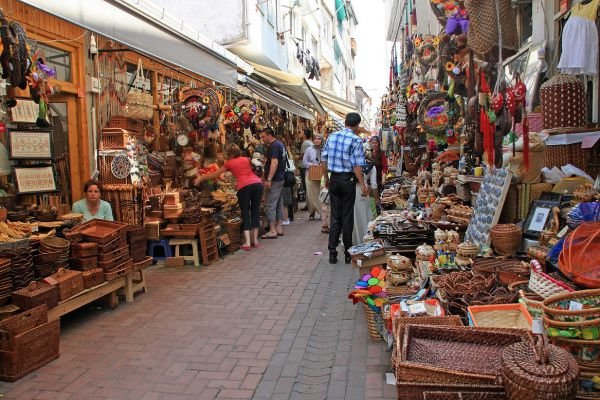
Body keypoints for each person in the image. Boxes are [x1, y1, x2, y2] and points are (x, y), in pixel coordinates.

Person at [195, 144, 264, 250]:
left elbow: (214, 175)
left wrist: (201, 178)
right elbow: (255, 169)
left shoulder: (230, 163)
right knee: (255, 211)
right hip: (257, 184)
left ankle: (248, 243)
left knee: (245, 212)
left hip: (244, 187)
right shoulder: (246, 159)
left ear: (229, 153)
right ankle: (255, 241)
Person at [322, 112, 368, 265]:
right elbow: (356, 165)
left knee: (335, 216)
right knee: (347, 216)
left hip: (334, 178)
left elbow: (324, 159)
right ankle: (348, 253)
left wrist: (327, 179)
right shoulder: (355, 140)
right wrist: (362, 184)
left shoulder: (332, 136)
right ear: (356, 125)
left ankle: (332, 252)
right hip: (347, 180)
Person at [260, 127, 286, 239]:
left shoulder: (274, 146)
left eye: (263, 136)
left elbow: (274, 163)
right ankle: (279, 227)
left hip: (275, 179)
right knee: (279, 203)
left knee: (270, 204)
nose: (262, 139)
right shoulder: (280, 144)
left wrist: (269, 179)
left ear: (269, 135)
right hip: (280, 178)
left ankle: (272, 230)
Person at [353, 145, 378, 245]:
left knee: (354, 217)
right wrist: (376, 199)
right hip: (364, 190)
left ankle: (353, 241)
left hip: (352, 190)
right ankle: (364, 240)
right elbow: (374, 185)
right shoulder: (371, 166)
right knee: (364, 216)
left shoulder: (352, 164)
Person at [303, 133, 324, 220]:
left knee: (320, 194)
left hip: (321, 175)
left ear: (322, 140)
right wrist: (312, 166)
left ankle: (321, 211)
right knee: (311, 194)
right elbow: (304, 162)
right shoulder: (309, 149)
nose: (317, 140)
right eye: (315, 139)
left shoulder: (325, 149)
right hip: (310, 174)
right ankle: (312, 212)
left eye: (319, 139)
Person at [370, 135, 387, 213]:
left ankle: (379, 210)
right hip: (368, 178)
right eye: (373, 143)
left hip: (378, 178)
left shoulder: (381, 153)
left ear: (378, 144)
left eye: (376, 143)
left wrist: (384, 176)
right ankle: (372, 210)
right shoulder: (368, 152)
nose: (374, 144)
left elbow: (384, 166)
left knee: (377, 194)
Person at [299, 129, 313, 210]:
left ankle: (308, 205)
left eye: (301, 132)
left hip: (305, 167)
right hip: (308, 167)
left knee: (306, 186)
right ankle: (309, 204)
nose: (299, 133)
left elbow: (304, 156)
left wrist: (297, 157)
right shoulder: (310, 142)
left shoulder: (305, 143)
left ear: (304, 134)